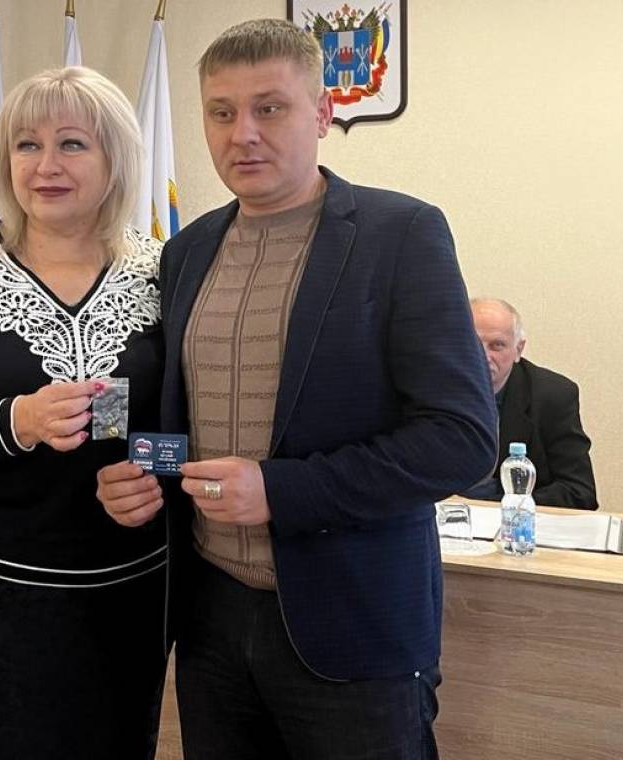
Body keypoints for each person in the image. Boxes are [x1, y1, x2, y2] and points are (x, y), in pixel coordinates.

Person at [96, 19, 497, 760]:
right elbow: (185, 417)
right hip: (210, 619)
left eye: (269, 108)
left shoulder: (401, 234)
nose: (242, 133)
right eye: (221, 112)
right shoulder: (185, 251)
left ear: (321, 114)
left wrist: (281, 491)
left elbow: (462, 439)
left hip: (354, 623)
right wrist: (134, 473)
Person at [0, 67, 168, 759]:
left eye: (72, 143)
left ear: (115, 158)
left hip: (122, 588)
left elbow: (179, 421)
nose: (45, 165)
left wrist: (151, 473)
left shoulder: (163, 271)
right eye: (26, 144)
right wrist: (18, 420)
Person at [464, 297, 598, 509]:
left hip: (516, 521)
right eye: (472, 343)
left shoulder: (552, 396)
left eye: (497, 345)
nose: (483, 356)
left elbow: (579, 493)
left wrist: (496, 506)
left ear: (518, 349)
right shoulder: (426, 389)